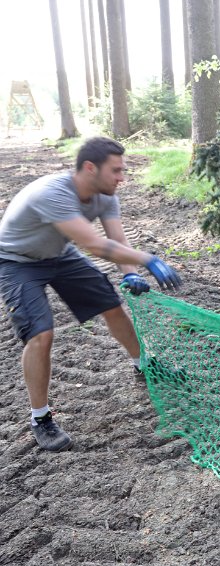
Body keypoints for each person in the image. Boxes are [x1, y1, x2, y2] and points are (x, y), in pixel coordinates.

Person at [0, 137, 183, 451]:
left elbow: (117, 241)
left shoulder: (106, 195)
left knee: (112, 305)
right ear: (89, 167)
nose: (121, 177)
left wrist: (130, 274)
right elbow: (95, 245)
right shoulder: (53, 192)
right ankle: (40, 418)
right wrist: (148, 259)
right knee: (41, 334)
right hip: (17, 261)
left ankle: (144, 365)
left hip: (60, 253)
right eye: (115, 170)